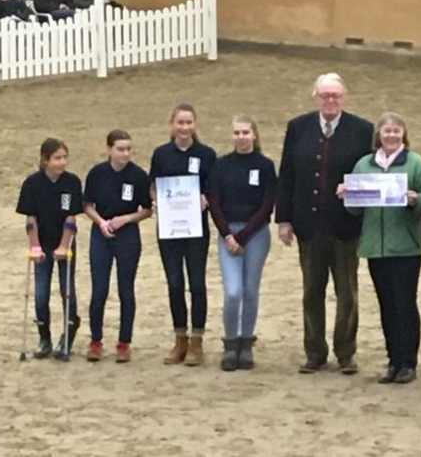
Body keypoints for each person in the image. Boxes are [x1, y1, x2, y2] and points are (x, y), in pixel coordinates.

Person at [276, 73, 373, 374]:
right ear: (316, 97)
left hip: (346, 227)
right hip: (309, 225)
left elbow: (370, 174)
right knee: (312, 291)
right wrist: (284, 219)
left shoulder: (362, 129)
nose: (330, 100)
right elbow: (287, 173)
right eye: (325, 95)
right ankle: (315, 351)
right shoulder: (298, 127)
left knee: (347, 293)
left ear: (344, 97)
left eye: (336, 95)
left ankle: (346, 351)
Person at [338, 112, 421, 384]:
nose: (391, 135)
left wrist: (416, 200)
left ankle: (408, 362)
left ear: (403, 134)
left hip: (406, 247)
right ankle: (393, 360)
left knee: (405, 304)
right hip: (375, 247)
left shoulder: (415, 163)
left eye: (396, 131)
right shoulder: (364, 165)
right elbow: (356, 210)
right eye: (387, 131)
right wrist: (348, 196)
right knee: (386, 306)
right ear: (378, 135)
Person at [149, 104, 217, 366]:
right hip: (169, 229)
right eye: (180, 122)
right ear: (172, 124)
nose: (185, 127)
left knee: (197, 284)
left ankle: (197, 341)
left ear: (195, 124)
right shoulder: (161, 154)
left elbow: (214, 188)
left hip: (196, 229)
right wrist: (156, 200)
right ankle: (180, 339)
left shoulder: (206, 154)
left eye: (189, 122)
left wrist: (205, 198)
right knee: (175, 283)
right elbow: (153, 185)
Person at [208, 115, 276, 371]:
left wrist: (244, 236)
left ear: (254, 135)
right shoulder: (221, 165)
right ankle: (230, 342)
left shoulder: (265, 166)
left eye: (245, 132)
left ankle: (246, 343)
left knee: (250, 290)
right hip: (228, 234)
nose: (241, 137)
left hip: (255, 234)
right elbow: (214, 202)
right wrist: (228, 234)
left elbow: (267, 204)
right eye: (237, 133)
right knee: (233, 291)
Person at [83, 130, 152, 363]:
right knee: (99, 289)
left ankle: (124, 342)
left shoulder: (138, 175)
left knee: (126, 289)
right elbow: (87, 204)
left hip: (128, 236)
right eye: (120, 149)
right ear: (109, 149)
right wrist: (101, 222)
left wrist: (127, 219)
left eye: (128, 149)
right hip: (101, 235)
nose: (125, 154)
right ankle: (95, 341)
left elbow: (147, 209)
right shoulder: (97, 173)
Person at [16, 138, 83, 359]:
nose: (62, 162)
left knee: (67, 290)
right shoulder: (32, 184)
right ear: (46, 160)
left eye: (64, 158)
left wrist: (64, 245)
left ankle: (69, 333)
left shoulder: (72, 182)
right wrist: (35, 246)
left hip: (64, 241)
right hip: (43, 242)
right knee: (41, 293)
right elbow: (31, 219)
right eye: (57, 158)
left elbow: (71, 218)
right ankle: (44, 338)